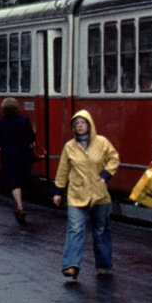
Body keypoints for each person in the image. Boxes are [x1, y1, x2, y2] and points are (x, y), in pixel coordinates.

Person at [53, 109, 119, 280]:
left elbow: (114, 158)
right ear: (73, 128)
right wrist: (58, 191)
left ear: (89, 124)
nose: (80, 126)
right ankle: (71, 265)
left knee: (101, 230)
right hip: (76, 194)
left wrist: (106, 174)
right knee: (75, 229)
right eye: (76, 124)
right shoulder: (69, 147)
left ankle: (103, 265)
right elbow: (63, 170)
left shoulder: (102, 142)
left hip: (99, 194)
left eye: (83, 123)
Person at [0, 96, 36, 224]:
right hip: (23, 153)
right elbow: (31, 137)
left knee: (14, 182)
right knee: (22, 178)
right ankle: (22, 203)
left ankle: (19, 205)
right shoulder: (24, 120)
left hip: (8, 154)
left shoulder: (0, 122)